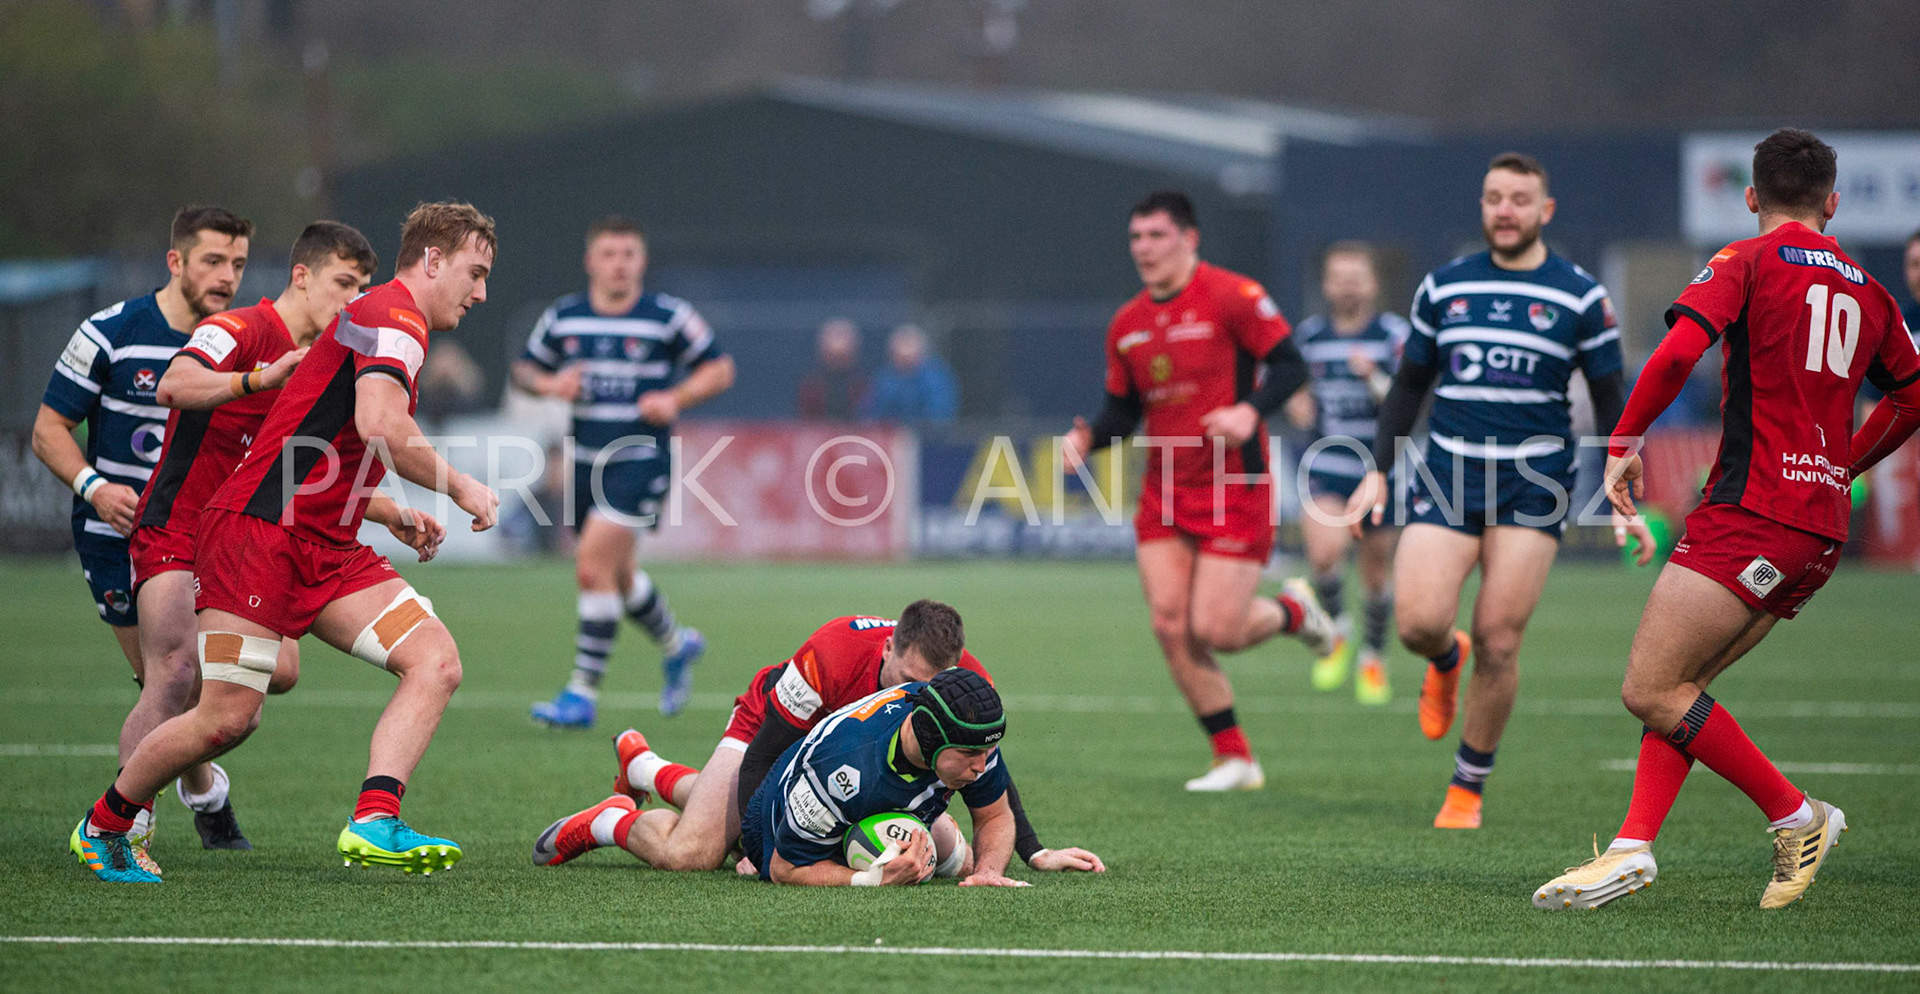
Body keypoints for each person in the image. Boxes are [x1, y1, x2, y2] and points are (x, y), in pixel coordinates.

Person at [1534, 129, 1920, 910]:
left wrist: (1623, 440)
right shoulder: (1869, 290)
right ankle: (1633, 849)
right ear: (1832, 204)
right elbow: (1912, 394)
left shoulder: (1746, 261)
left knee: (1649, 689)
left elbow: (1677, 354)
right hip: (1819, 523)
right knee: (1685, 686)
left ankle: (1797, 814)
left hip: (1753, 510)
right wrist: (1844, 464)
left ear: (1752, 198)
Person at [68, 202, 502, 883]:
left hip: (325, 543)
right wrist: (461, 486)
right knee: (225, 719)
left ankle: (375, 818)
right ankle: (107, 823)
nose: (480, 294)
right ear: (433, 260)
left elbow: (322, 446)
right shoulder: (396, 318)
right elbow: (379, 420)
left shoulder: (377, 316)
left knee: (435, 661)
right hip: (258, 539)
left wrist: (379, 507)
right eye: (474, 274)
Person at [1345, 153, 1654, 830]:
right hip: (1450, 471)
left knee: (1501, 641)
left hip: (1535, 484)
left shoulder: (1579, 296)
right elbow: (1408, 386)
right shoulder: (1443, 287)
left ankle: (1466, 788)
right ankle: (1443, 660)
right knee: (1419, 623)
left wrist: (1623, 484)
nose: (1504, 209)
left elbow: (1611, 400)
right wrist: (1377, 467)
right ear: (1482, 207)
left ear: (1544, 211)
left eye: (1519, 199)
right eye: (1493, 198)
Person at [1063, 190, 1336, 793]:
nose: (1144, 249)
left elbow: (1291, 366)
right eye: (1136, 237)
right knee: (1169, 624)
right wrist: (1090, 438)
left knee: (1216, 629)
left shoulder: (1234, 296)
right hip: (1164, 487)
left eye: (1156, 236)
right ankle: (1233, 757)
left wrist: (1249, 410)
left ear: (1190, 239)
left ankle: (1294, 611)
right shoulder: (1127, 324)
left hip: (1233, 482)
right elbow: (1122, 410)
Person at [120, 222, 376, 854]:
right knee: (176, 672)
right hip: (178, 523)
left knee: (273, 680)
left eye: (363, 288)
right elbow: (174, 385)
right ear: (302, 275)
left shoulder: (326, 357)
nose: (352, 300)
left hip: (242, 538)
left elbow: (304, 466)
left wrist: (387, 507)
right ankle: (122, 827)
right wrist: (258, 379)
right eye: (343, 283)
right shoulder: (238, 329)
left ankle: (196, 777)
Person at [530, 601, 1103, 877]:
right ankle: (609, 819)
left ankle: (648, 768)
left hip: (841, 771)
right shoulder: (830, 657)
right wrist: (756, 848)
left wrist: (1034, 851)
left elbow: (987, 768)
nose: (918, 701)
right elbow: (764, 759)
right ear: (886, 652)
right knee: (697, 852)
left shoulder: (962, 687)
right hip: (770, 733)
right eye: (907, 683)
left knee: (950, 854)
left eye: (932, 688)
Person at [34, 205, 252, 860]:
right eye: (213, 261)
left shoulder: (240, 337)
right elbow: (48, 430)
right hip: (114, 533)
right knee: (168, 681)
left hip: (194, 535)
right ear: (175, 261)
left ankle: (134, 820)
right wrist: (95, 488)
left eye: (238, 263)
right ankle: (198, 797)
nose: (226, 277)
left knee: (181, 677)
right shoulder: (110, 332)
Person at [517, 216, 736, 726]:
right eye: (609, 254)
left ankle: (581, 694)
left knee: (591, 564)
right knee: (618, 575)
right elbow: (524, 370)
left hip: (640, 459)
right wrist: (550, 386)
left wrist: (676, 396)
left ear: (642, 261)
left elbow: (720, 368)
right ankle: (678, 644)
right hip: (586, 461)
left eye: (629, 254)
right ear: (591, 261)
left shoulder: (667, 316)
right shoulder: (564, 318)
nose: (619, 264)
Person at [744, 668, 1027, 886]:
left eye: (986, 751)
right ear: (930, 738)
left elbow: (994, 816)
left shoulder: (969, 732)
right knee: (701, 853)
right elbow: (785, 868)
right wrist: (870, 880)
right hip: (785, 817)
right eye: (969, 754)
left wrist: (987, 872)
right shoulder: (839, 768)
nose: (981, 765)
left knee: (966, 867)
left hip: (891, 803)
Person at [1288, 242, 1408, 705]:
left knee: (1376, 572)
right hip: (1326, 462)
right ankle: (1338, 631)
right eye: (1340, 278)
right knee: (1323, 552)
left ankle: (1372, 656)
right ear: (1326, 285)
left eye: (1357, 277)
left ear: (1373, 284)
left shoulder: (1392, 335)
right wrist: (1297, 402)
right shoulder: (1310, 337)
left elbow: (1407, 399)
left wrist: (1373, 377)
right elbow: (1292, 386)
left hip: (1380, 467)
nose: (1348, 286)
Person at [859, 324, 958, 423]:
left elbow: (940, 415)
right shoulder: (884, 378)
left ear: (921, 354)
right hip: (889, 433)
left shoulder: (936, 378)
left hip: (927, 435)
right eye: (899, 357)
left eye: (908, 358)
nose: (904, 359)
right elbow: (870, 413)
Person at [796, 318, 867, 419]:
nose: (838, 360)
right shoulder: (812, 386)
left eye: (842, 358)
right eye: (833, 357)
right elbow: (805, 421)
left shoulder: (863, 387)